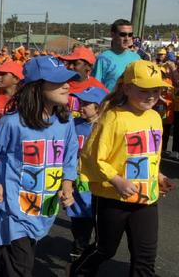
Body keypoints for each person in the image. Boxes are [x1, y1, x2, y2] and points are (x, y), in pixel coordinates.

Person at [69, 60, 176, 276]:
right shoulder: (112, 117)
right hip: (112, 198)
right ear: (127, 88)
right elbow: (92, 158)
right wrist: (116, 180)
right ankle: (78, 271)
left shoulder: (155, 118)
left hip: (146, 198)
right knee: (105, 249)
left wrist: (158, 175)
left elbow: (149, 156)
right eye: (144, 90)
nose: (151, 95)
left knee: (145, 258)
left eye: (156, 90)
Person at [0, 56, 79, 276]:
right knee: (22, 267)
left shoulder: (66, 120)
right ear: (36, 87)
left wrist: (68, 184)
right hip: (13, 209)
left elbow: (71, 155)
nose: (66, 85)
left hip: (43, 207)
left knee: (9, 267)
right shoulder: (12, 122)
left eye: (68, 80)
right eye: (58, 81)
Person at [66, 87, 107, 261]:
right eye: (80, 103)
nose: (80, 107)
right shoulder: (73, 124)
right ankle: (78, 250)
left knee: (99, 223)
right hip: (77, 182)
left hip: (98, 184)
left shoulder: (105, 127)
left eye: (85, 104)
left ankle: (93, 253)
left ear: (98, 107)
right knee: (79, 221)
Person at [92, 19, 140, 91]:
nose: (127, 38)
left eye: (130, 35)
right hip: (110, 101)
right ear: (113, 35)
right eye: (123, 34)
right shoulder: (102, 59)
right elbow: (95, 87)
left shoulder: (136, 58)